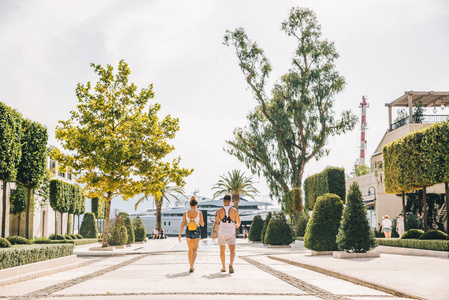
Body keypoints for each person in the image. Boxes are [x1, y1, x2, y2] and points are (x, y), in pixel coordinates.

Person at [212, 194, 241, 274]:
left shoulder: (219, 211)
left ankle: (223, 267)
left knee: (222, 251)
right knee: (232, 250)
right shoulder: (234, 211)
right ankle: (231, 264)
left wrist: (214, 232)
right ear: (230, 201)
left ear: (223, 201)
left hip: (222, 233)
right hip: (231, 232)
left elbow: (216, 223)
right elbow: (239, 222)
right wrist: (237, 225)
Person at [178, 196, 204, 273]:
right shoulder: (199, 213)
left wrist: (179, 235)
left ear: (190, 205)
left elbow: (182, 224)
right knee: (195, 250)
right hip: (196, 230)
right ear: (196, 205)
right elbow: (202, 224)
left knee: (190, 250)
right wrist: (199, 222)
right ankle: (192, 265)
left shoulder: (185, 213)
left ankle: (191, 266)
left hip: (188, 231)